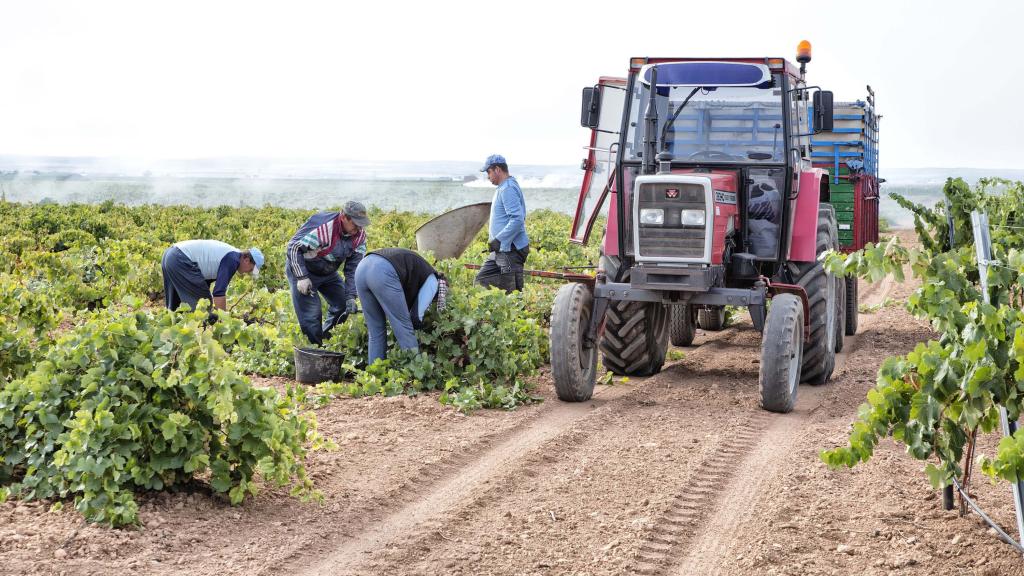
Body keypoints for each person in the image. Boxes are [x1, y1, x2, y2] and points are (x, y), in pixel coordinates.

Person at [286, 201, 370, 346]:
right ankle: (315, 350)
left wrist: (351, 296)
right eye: (355, 224)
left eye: (361, 224)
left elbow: (353, 269)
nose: (358, 228)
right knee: (311, 314)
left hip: (327, 270)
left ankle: (326, 340)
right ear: (343, 217)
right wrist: (301, 277)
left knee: (343, 304)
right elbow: (293, 247)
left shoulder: (359, 237)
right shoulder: (325, 228)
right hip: (303, 267)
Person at [354, 247, 448, 365]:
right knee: (404, 326)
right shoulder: (434, 282)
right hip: (382, 270)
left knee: (376, 330)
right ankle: (415, 374)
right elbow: (415, 317)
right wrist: (421, 331)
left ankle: (375, 375)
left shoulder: (421, 272)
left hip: (362, 267)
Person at [474, 154, 529, 292]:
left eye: (489, 171)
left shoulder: (508, 188)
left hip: (511, 250)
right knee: (481, 280)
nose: (488, 176)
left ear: (497, 169)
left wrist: (499, 239)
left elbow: (517, 220)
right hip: (502, 249)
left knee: (512, 292)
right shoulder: (504, 186)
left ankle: (515, 312)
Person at [161, 240, 264, 311]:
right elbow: (219, 293)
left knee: (174, 306)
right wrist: (224, 321)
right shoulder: (233, 260)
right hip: (180, 258)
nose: (248, 272)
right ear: (246, 260)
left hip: (170, 254)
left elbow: (204, 282)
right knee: (204, 304)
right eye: (250, 269)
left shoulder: (231, 254)